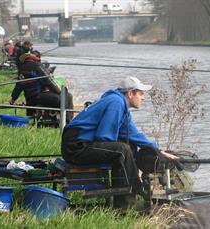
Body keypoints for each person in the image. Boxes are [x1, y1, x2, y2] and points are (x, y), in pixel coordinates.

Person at [61, 76, 178, 206]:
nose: (143, 98)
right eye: (141, 94)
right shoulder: (116, 103)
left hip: (83, 143)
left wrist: (158, 150)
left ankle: (122, 202)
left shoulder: (122, 106)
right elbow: (104, 137)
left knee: (130, 146)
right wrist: (121, 147)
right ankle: (134, 195)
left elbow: (135, 135)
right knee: (122, 150)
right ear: (130, 93)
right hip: (75, 147)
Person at [9, 53, 74, 122]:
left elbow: (18, 87)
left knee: (64, 97)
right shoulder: (37, 66)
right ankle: (67, 122)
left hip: (30, 100)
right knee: (67, 97)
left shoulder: (21, 70)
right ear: (30, 58)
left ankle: (62, 119)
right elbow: (49, 82)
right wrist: (60, 92)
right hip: (38, 96)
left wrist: (13, 99)